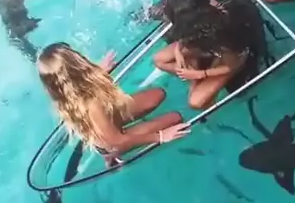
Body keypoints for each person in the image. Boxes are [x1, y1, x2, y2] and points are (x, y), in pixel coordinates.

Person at [37, 43, 189, 166]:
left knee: (157, 94)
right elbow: (117, 140)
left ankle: (118, 134)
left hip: (109, 116)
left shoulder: (72, 92)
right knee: (175, 118)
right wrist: (160, 136)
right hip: (115, 142)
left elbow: (81, 85)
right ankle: (112, 156)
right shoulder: (91, 105)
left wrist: (100, 72)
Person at [153, 0, 258, 110]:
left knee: (196, 102)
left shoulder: (224, 34)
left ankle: (196, 79)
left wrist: (201, 74)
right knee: (160, 59)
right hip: (207, 44)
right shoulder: (199, 12)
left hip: (232, 58)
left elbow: (234, 64)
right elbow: (186, 33)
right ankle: (193, 74)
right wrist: (178, 50)